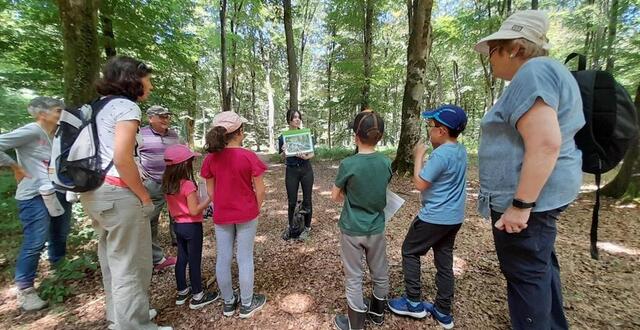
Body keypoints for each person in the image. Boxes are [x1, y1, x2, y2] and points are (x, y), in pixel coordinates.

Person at [474, 10, 584, 330]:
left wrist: (521, 206)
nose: (491, 57)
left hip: (528, 204)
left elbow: (545, 143)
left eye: (495, 49)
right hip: (539, 199)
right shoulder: (547, 72)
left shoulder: (533, 72)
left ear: (517, 48)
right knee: (538, 270)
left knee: (526, 279)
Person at [79, 56, 171, 329]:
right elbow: (122, 158)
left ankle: (121, 317)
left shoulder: (97, 106)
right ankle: (136, 325)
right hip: (119, 195)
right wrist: (143, 196)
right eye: (148, 80)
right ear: (133, 80)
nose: (150, 86)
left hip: (94, 191)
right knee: (132, 265)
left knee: (111, 259)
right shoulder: (126, 108)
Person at [388, 105, 468, 329]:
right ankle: (443, 310)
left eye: (430, 127)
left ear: (441, 131)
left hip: (434, 217)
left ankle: (413, 302)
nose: (429, 131)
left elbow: (421, 184)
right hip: (454, 218)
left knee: (409, 251)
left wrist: (419, 157)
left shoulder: (441, 154)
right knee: (444, 259)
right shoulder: (460, 150)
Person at [0, 97, 72, 311]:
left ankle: (60, 270)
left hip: (57, 191)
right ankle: (25, 290)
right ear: (43, 114)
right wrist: (14, 166)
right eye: (58, 111)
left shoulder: (59, 134)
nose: (62, 114)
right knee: (35, 241)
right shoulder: (32, 131)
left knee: (60, 233)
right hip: (34, 195)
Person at [201, 111, 268, 318]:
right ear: (240, 132)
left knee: (223, 257)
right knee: (245, 257)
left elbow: (210, 192)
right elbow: (261, 189)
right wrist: (255, 208)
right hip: (247, 213)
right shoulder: (248, 156)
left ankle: (228, 302)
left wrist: (222, 202)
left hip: (222, 214)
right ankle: (247, 304)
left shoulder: (211, 159)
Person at [331, 111, 391, 330]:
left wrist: (351, 195)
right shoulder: (386, 162)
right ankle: (377, 313)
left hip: (352, 228)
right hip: (376, 227)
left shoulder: (348, 164)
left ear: (356, 136)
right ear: (380, 137)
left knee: (354, 276)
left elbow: (335, 196)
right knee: (380, 270)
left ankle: (355, 324)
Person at [162, 144, 218, 309]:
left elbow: (172, 208)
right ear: (184, 165)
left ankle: (182, 291)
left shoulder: (167, 183)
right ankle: (198, 295)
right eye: (190, 161)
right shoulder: (187, 185)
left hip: (178, 225)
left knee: (182, 258)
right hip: (192, 227)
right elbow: (194, 210)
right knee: (194, 260)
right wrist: (209, 200)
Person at [140, 105, 179, 272]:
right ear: (151, 118)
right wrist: (140, 172)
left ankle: (179, 242)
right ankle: (155, 257)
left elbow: (180, 154)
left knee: (178, 215)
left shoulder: (174, 135)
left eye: (167, 116)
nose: (165, 120)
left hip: (173, 181)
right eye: (161, 117)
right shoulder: (140, 134)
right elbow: (131, 155)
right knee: (150, 220)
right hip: (152, 183)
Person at [278, 109, 314, 240]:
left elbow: (312, 153)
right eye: (294, 118)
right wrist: (283, 151)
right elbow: (282, 156)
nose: (297, 119)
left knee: (307, 200)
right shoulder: (283, 137)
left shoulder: (306, 134)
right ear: (289, 120)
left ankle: (307, 228)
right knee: (292, 201)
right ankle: (291, 226)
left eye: (299, 117)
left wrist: (305, 157)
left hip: (306, 170)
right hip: (291, 170)